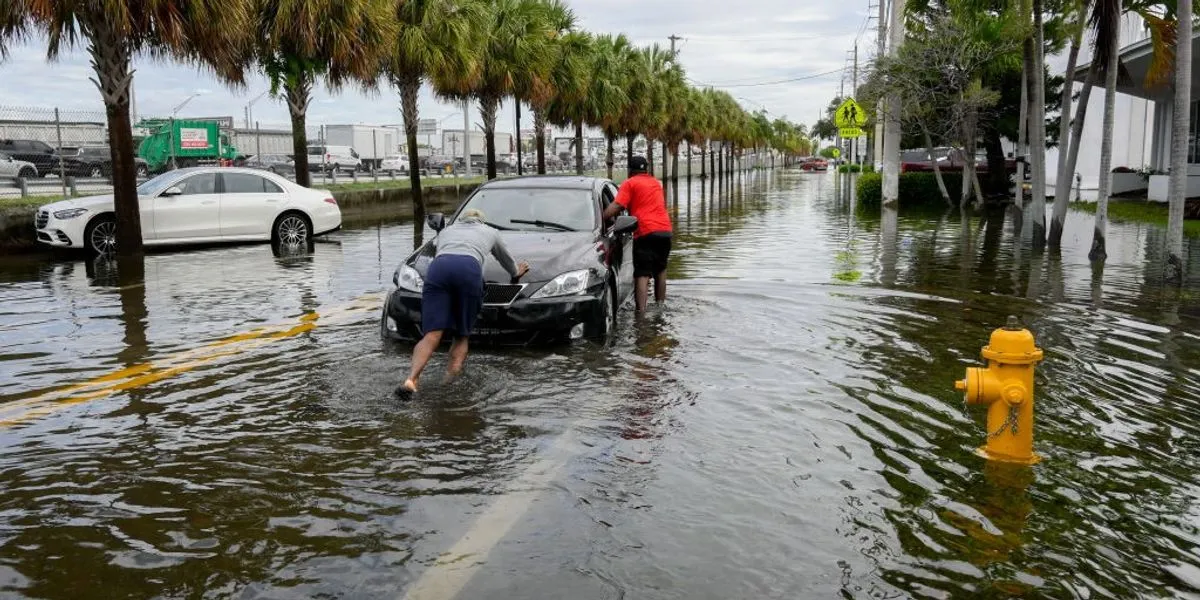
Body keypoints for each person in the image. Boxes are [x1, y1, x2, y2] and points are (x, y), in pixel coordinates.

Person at [397, 208, 528, 398]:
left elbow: (439, 254)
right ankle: (447, 386)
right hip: (468, 270)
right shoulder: (490, 232)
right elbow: (507, 262)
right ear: (481, 222)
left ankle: (411, 380)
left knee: (432, 335)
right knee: (461, 335)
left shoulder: (446, 232)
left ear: (462, 220)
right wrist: (517, 271)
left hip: (439, 269)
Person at [602, 156, 673, 312]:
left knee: (642, 273)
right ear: (646, 169)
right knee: (661, 270)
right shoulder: (656, 183)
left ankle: (641, 313)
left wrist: (601, 217)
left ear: (630, 171)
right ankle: (660, 306)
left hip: (646, 232)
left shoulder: (630, 183)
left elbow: (617, 206)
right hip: (665, 231)